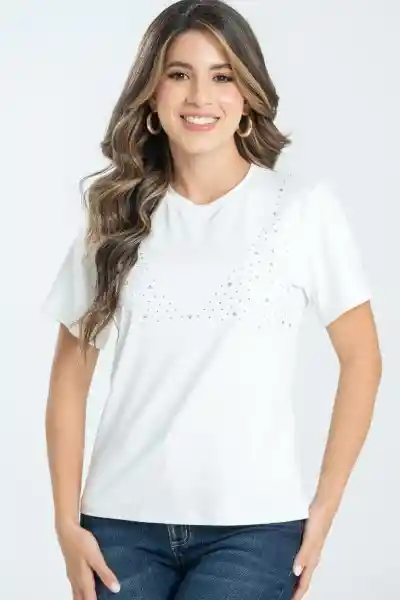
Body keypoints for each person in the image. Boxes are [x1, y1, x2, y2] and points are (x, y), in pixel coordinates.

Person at [42, 1, 382, 599]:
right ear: (152, 93)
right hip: (119, 528)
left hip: (255, 531)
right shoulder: (115, 217)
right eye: (179, 74)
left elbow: (363, 359)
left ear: (247, 95)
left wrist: (324, 509)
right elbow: (70, 379)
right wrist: (66, 525)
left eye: (222, 76)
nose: (200, 96)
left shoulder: (301, 211)